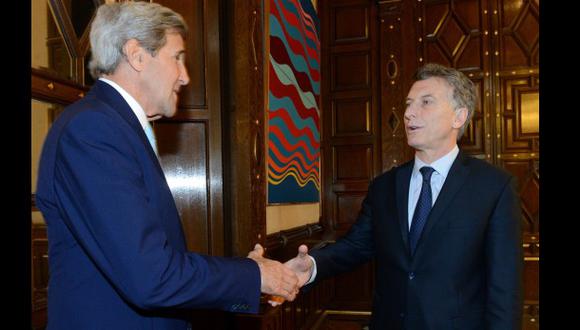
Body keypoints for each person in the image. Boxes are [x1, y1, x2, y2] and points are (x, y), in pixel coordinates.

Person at [35, 2, 298, 329]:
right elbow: (151, 276)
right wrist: (254, 275)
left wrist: (251, 275)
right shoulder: (93, 130)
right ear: (137, 55)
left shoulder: (116, 127)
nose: (185, 76)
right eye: (178, 57)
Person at [286, 63, 523, 329]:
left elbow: (505, 287)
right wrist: (313, 266)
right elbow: (356, 246)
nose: (409, 113)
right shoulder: (384, 187)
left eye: (425, 102)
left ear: (459, 117)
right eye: (409, 104)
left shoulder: (494, 187)